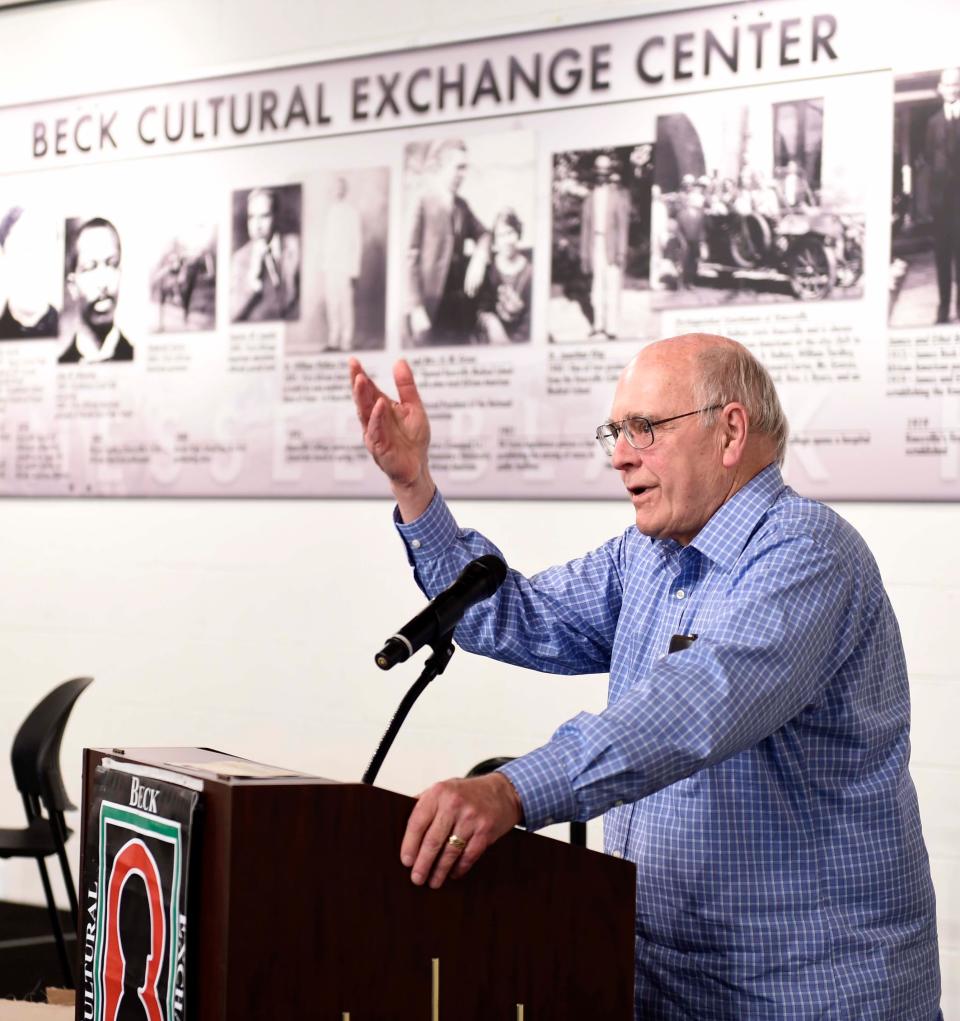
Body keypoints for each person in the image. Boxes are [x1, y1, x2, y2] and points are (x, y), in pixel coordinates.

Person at [349, 334, 942, 1019]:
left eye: (645, 428)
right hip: (663, 985)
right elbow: (514, 614)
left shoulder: (806, 552)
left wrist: (513, 789)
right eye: (616, 430)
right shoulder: (649, 555)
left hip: (807, 993)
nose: (620, 453)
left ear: (729, 431)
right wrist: (414, 487)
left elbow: (695, 704)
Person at [406, 139, 490, 345]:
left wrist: (479, 258)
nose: (463, 174)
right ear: (442, 167)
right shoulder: (422, 201)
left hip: (456, 307)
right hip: (428, 306)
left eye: (465, 168)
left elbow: (485, 234)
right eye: (459, 168)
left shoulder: (462, 206)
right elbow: (409, 257)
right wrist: (416, 307)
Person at [59, 217, 133, 364]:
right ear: (72, 286)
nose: (103, 282)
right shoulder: (63, 363)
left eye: (112, 264)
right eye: (90, 267)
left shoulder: (134, 358)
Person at [231, 187, 300, 323]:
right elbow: (232, 315)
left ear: (276, 216)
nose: (257, 225)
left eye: (264, 216)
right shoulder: (239, 259)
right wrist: (252, 278)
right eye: (252, 217)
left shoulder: (295, 247)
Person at [579, 154, 630, 338]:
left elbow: (623, 227)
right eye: (599, 172)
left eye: (605, 172)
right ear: (595, 174)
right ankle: (598, 325)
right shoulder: (589, 199)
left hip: (612, 247)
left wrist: (621, 251)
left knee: (612, 286)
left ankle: (611, 328)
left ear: (609, 174)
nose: (602, 176)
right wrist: (584, 255)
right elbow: (585, 229)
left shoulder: (617, 197)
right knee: (596, 287)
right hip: (595, 245)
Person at [926, 67, 960, 324]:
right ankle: (943, 307)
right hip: (941, 207)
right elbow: (929, 163)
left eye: (956, 84)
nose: (952, 89)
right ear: (940, 88)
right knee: (942, 257)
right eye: (947, 85)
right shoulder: (933, 123)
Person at [476, 208, 532, 344]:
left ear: (518, 233)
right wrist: (492, 324)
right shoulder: (489, 270)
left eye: (510, 233)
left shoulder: (530, 272)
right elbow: (481, 309)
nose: (506, 240)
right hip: (493, 337)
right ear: (495, 240)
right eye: (501, 235)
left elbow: (531, 317)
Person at [321, 177, 362, 351]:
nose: (338, 191)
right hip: (331, 267)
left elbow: (357, 243)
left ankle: (347, 341)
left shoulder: (351, 213)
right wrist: (324, 265)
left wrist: (354, 271)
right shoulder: (330, 212)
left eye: (341, 188)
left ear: (345, 190)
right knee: (332, 304)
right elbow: (326, 242)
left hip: (346, 267)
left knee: (346, 304)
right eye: (335, 188)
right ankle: (333, 340)